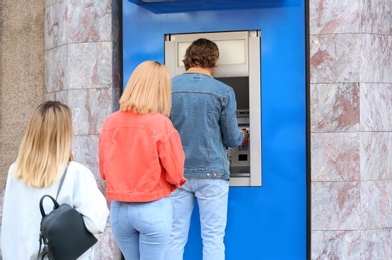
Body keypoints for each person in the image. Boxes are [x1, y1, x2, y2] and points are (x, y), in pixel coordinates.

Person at [165, 38, 249, 260]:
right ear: (214, 60)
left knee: (174, 237)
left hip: (177, 174)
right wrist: (244, 135)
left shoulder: (168, 88)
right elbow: (232, 139)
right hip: (212, 173)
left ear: (188, 59)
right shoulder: (223, 91)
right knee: (213, 238)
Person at [99, 60, 186, 260]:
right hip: (152, 208)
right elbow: (176, 173)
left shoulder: (110, 122)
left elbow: (104, 171)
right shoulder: (161, 124)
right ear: (161, 89)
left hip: (119, 211)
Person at [0, 101, 109, 260]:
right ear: (65, 134)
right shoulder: (76, 173)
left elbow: (10, 223)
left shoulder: (15, 171)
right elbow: (96, 223)